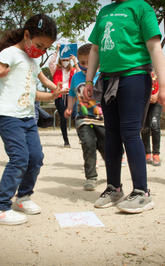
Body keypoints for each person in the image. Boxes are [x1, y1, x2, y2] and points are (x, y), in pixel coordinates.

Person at [83, 0, 165, 214]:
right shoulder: (104, 11)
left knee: (130, 133)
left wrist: (164, 86)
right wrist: (89, 80)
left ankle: (142, 192)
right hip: (107, 79)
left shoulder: (141, 7)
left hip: (134, 76)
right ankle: (114, 188)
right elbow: (95, 48)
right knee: (112, 135)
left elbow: (154, 46)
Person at [0, 14, 66, 225]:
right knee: (19, 158)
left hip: (28, 116)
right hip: (8, 115)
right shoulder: (10, 53)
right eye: (39, 45)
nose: (41, 51)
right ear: (27, 35)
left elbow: (36, 86)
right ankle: (0, 207)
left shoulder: (33, 60)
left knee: (36, 157)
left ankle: (23, 197)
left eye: (45, 48)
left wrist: (53, 93)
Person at [64, 43, 105, 191]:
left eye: (90, 62)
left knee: (105, 146)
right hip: (83, 119)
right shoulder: (76, 77)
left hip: (102, 120)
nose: (86, 66)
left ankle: (113, 172)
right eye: (82, 63)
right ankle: (91, 177)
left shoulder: (103, 76)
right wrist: (69, 108)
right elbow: (72, 94)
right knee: (88, 144)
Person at [49, 43, 80, 148]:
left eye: (67, 60)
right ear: (60, 60)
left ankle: (81, 138)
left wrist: (75, 61)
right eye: (64, 60)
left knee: (76, 115)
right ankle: (66, 141)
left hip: (71, 96)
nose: (65, 62)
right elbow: (51, 63)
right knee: (63, 118)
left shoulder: (72, 70)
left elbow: (79, 72)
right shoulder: (55, 70)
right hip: (59, 96)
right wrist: (56, 51)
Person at [141, 71, 162, 166]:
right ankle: (147, 153)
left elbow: (164, 85)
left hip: (157, 102)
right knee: (144, 128)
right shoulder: (140, 70)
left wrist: (157, 95)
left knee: (155, 125)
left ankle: (156, 154)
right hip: (143, 103)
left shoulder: (158, 70)